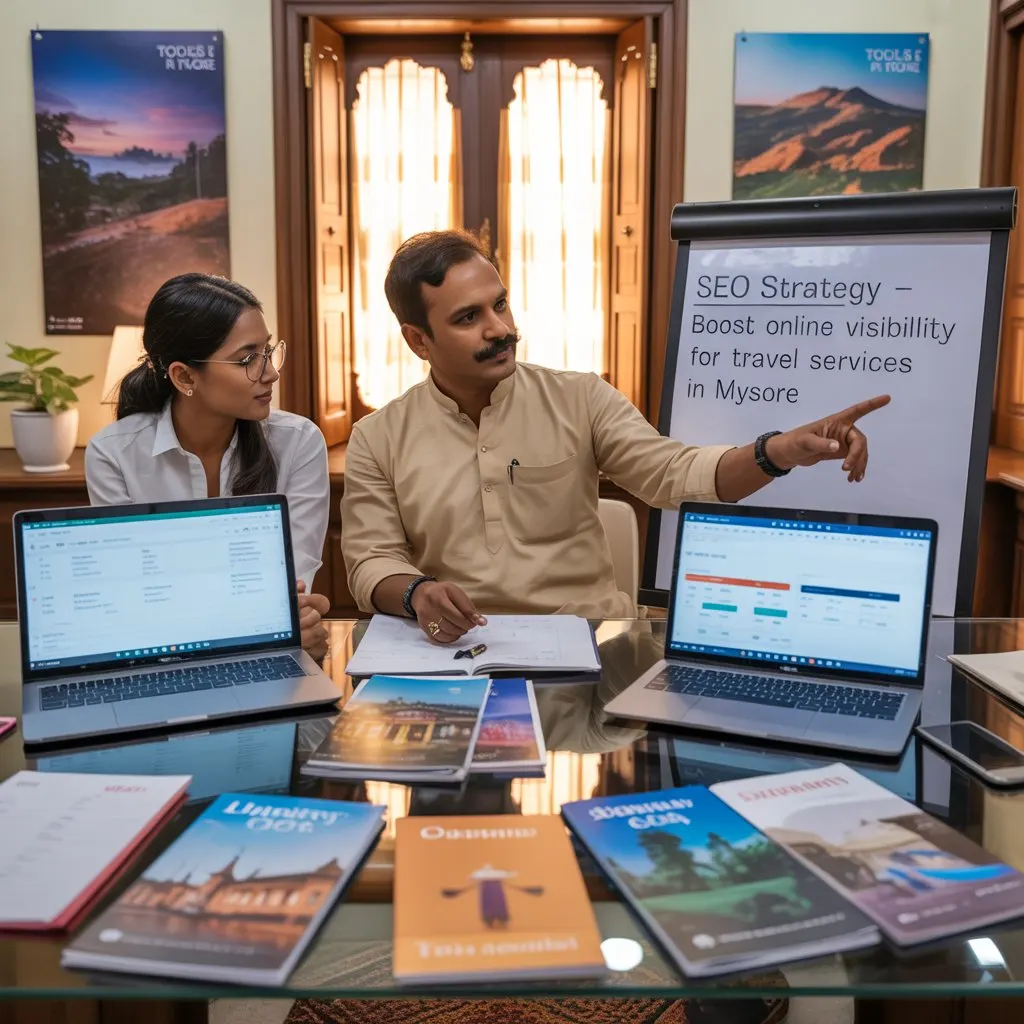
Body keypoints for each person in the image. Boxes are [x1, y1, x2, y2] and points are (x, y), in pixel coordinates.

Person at [341, 230, 890, 645]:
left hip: (589, 648)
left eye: (501, 304)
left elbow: (674, 475)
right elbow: (371, 561)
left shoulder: (581, 397)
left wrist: (778, 451)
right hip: (456, 652)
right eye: (469, 317)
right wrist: (416, 595)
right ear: (418, 340)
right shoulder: (377, 436)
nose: (500, 329)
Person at [86, 273, 331, 657]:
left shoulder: (298, 443)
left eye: (268, 351)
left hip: (260, 654)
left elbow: (290, 589)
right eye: (247, 359)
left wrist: (289, 622)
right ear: (184, 376)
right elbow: (133, 595)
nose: (270, 373)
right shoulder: (114, 454)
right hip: (158, 656)